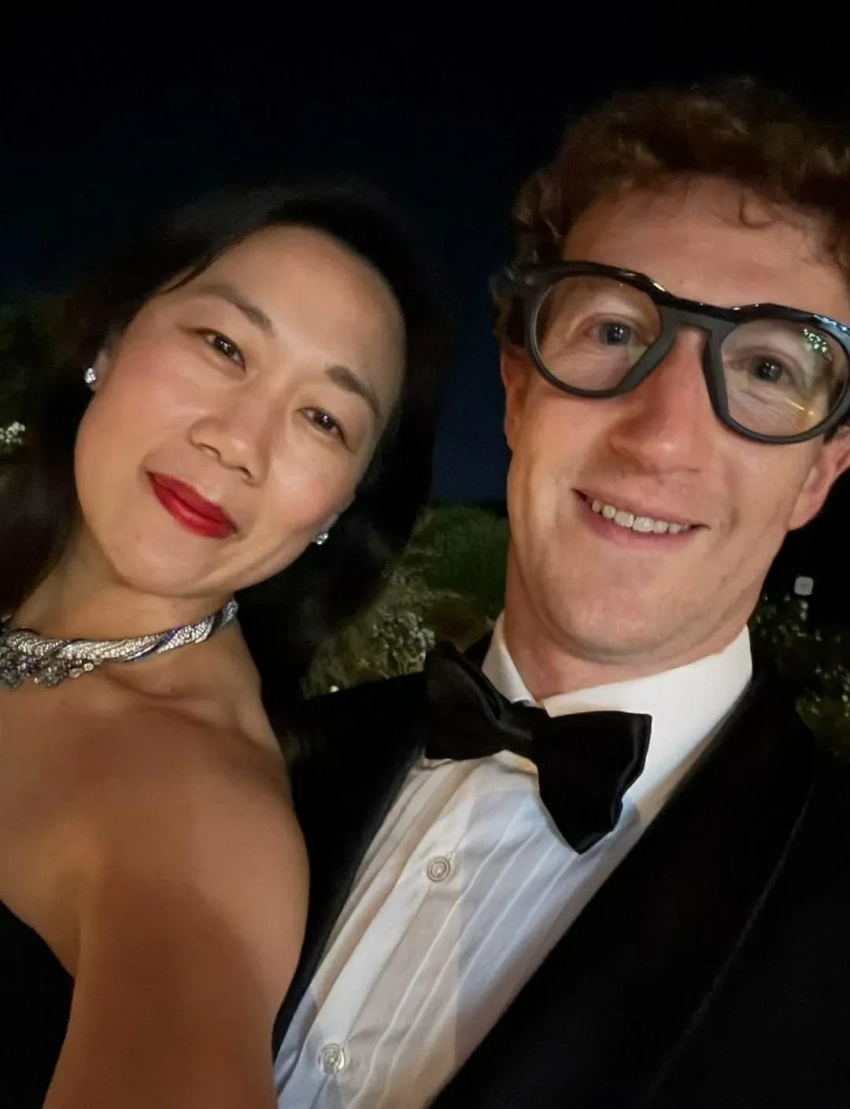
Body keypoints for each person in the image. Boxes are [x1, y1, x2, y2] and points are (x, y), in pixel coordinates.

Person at [274, 81, 850, 1108]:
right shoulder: (274, 764)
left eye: (766, 369)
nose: (661, 436)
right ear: (516, 389)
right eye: (615, 332)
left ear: (817, 474)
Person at [0, 179, 446, 1109]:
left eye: (324, 419)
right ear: (110, 341)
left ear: (341, 506)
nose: (240, 441)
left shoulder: (197, 814)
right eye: (224, 345)